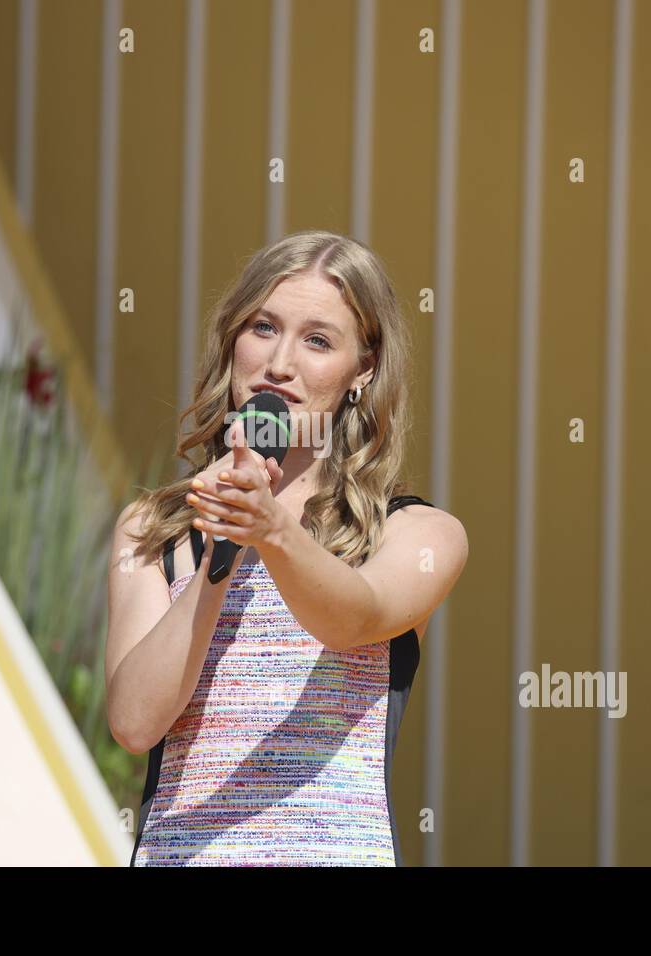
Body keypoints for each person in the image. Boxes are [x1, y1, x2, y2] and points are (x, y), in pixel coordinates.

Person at [104, 229, 468, 866]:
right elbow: (135, 723)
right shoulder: (153, 528)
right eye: (263, 327)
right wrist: (220, 552)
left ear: (365, 369)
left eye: (318, 340)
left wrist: (270, 528)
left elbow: (350, 619)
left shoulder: (414, 532)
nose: (280, 364)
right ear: (232, 341)